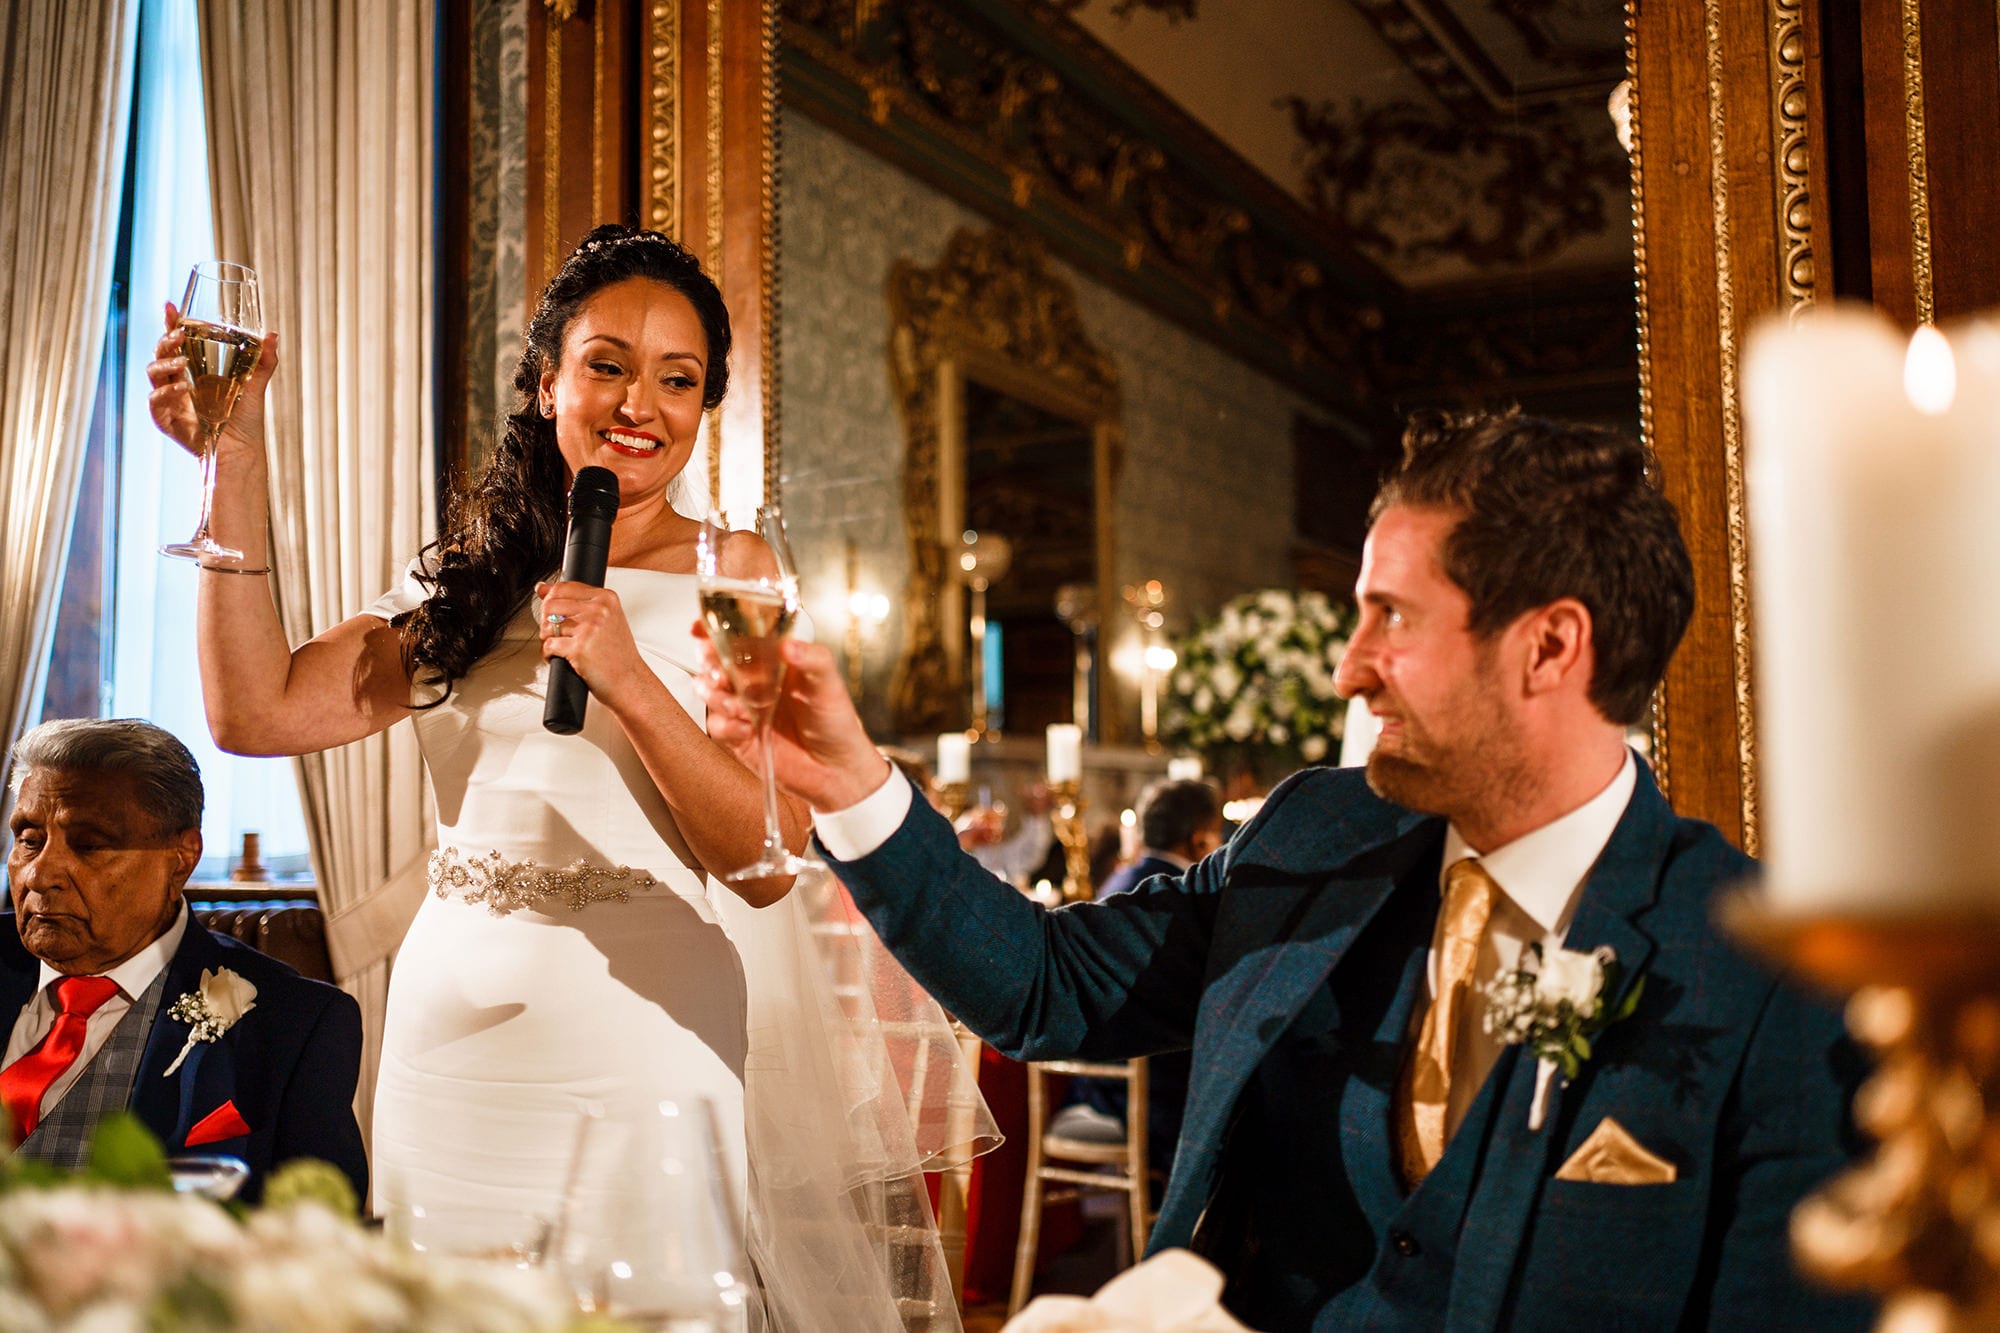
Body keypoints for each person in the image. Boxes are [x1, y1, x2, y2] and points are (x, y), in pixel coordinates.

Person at [699, 410, 1874, 1330]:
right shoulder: (1315, 836)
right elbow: (1046, 985)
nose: (1347, 670)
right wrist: (847, 780)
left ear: (1548, 646)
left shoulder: (1775, 977)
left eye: (1390, 619)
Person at [147, 224, 981, 1329]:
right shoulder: (469, 581)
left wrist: (628, 677)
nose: (640, 403)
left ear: (704, 407)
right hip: (449, 1046)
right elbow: (255, 711)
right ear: (547, 384)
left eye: (677, 379)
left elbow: (765, 862)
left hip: (645, 1043)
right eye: (607, 365)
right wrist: (233, 459)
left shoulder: (735, 572)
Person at [2, 718, 366, 1203]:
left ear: (182, 857)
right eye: (29, 840)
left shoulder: (293, 1026)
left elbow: (317, 1227)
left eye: (89, 845)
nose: (40, 874)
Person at [1062, 778, 1223, 1182]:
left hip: (1096, 1081)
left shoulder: (1117, 881)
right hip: (1151, 1097)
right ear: (1200, 839)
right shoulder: (1186, 897)